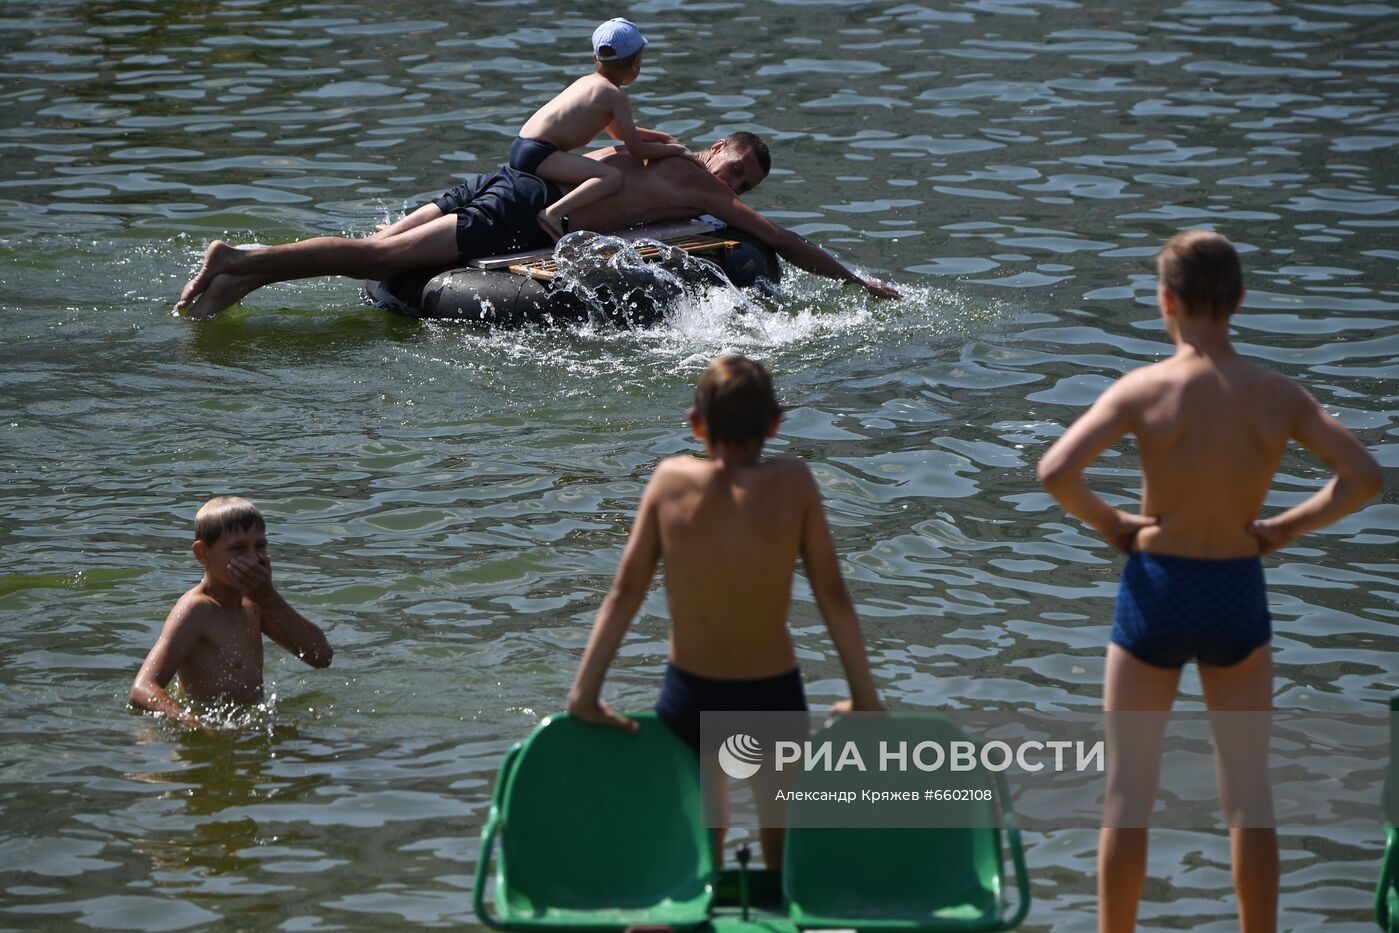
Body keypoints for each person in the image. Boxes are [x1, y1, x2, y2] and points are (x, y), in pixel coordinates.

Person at [1036, 230, 1382, 933]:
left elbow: (1055, 471)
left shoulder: (1144, 388)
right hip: (1234, 590)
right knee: (1249, 797)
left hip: (1156, 587)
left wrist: (1114, 525)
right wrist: (1285, 527)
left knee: (1126, 794)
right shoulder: (1277, 394)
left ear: (1166, 300)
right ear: (1241, 301)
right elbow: (1364, 477)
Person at [566, 354, 885, 868]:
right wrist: (864, 698)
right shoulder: (795, 482)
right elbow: (833, 593)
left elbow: (624, 592)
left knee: (703, 854)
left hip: (691, 692)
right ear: (775, 425)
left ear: (696, 425)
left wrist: (585, 695)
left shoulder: (669, 481)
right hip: (772, 693)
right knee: (784, 852)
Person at [174, 132, 900, 319]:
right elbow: (784, 242)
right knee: (376, 258)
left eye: (743, 182)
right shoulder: (690, 176)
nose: (732, 185)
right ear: (717, 151)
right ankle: (242, 258)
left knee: (382, 254)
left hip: (510, 180)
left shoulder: (664, 152)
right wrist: (859, 280)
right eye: (733, 168)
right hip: (516, 208)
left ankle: (239, 281)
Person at [130, 496, 333, 729]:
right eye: (238, 548)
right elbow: (142, 689)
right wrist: (197, 726)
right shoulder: (196, 610)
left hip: (250, 724)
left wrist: (270, 597)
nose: (253, 558)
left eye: (260, 546)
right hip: (210, 728)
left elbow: (321, 656)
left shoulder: (255, 603)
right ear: (202, 554)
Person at [511, 18, 688, 241]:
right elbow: (637, 150)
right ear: (636, 63)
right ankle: (552, 214)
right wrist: (678, 151)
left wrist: (662, 137)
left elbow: (618, 133)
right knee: (612, 177)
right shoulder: (615, 96)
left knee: (600, 174)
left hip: (522, 146)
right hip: (539, 153)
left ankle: (554, 212)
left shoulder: (588, 83)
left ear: (595, 58)